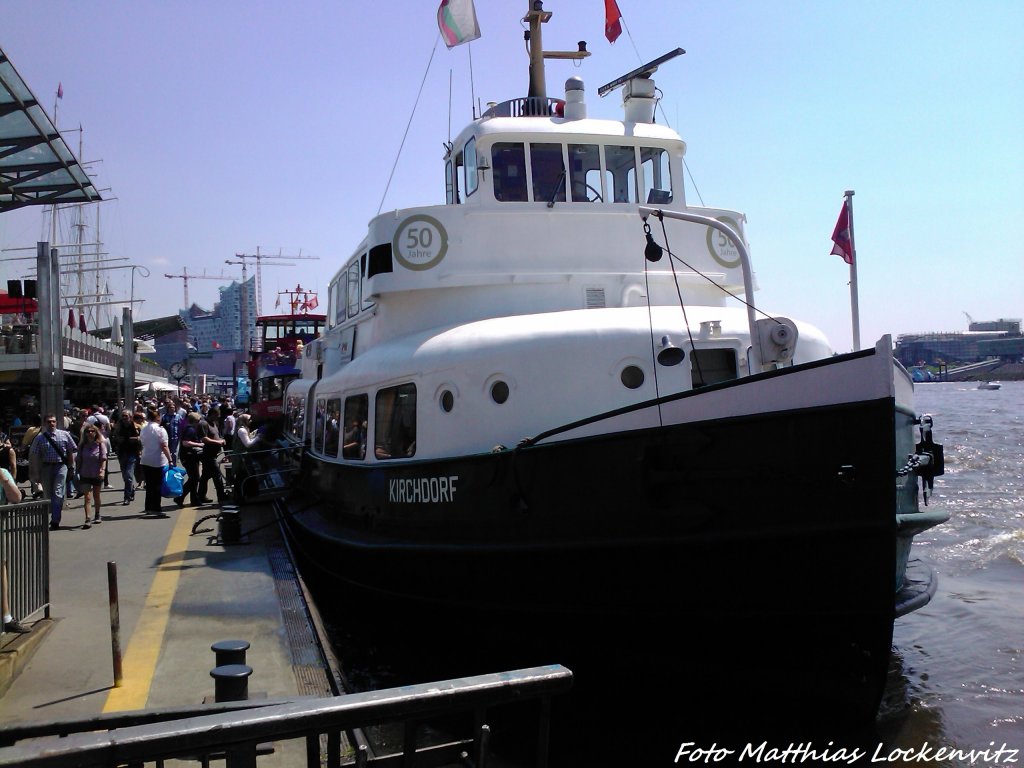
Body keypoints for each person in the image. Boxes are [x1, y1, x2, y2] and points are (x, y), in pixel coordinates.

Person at [29, 414, 77, 530]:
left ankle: (55, 520)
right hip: (46, 468)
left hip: (61, 467)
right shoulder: (40, 438)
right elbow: (34, 455)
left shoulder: (64, 435)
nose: (52, 424)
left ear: (56, 422)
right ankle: (51, 515)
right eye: (49, 422)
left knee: (58, 492)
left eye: (53, 421)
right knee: (48, 495)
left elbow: (72, 450)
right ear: (45, 423)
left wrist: (71, 467)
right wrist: (35, 473)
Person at [139, 408, 171, 517]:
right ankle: (156, 508)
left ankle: (148, 507)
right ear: (158, 418)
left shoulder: (144, 428)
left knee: (149, 485)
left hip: (145, 458)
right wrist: (170, 459)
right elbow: (164, 446)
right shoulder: (160, 430)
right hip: (157, 460)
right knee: (157, 485)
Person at [76, 423, 107, 527]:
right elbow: (79, 460)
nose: (90, 433)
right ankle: (87, 518)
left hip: (97, 473)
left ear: (96, 433)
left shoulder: (100, 444)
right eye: (88, 431)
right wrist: (77, 472)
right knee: (87, 497)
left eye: (92, 431)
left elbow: (103, 459)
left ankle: (97, 514)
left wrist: (102, 471)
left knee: (96, 495)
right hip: (85, 473)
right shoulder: (82, 446)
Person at [197, 409, 226, 505]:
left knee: (206, 476)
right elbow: (204, 439)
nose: (218, 417)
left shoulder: (214, 424)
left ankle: (200, 496)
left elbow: (216, 436)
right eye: (217, 415)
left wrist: (221, 440)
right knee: (217, 475)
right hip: (208, 454)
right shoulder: (204, 424)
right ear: (212, 414)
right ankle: (221, 496)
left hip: (215, 453)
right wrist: (218, 442)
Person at [175, 412, 204, 507]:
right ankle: (180, 497)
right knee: (194, 478)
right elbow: (185, 443)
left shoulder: (190, 428)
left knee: (194, 479)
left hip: (191, 456)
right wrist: (199, 444)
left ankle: (194, 499)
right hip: (188, 457)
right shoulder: (190, 430)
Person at [113, 409, 141, 506]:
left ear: (130, 417)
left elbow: (140, 438)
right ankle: (131, 489)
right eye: (123, 416)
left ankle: (127, 497)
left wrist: (134, 439)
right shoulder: (118, 426)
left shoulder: (135, 426)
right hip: (122, 453)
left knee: (129, 476)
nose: (125, 418)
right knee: (125, 476)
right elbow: (115, 438)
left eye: (126, 416)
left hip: (132, 453)